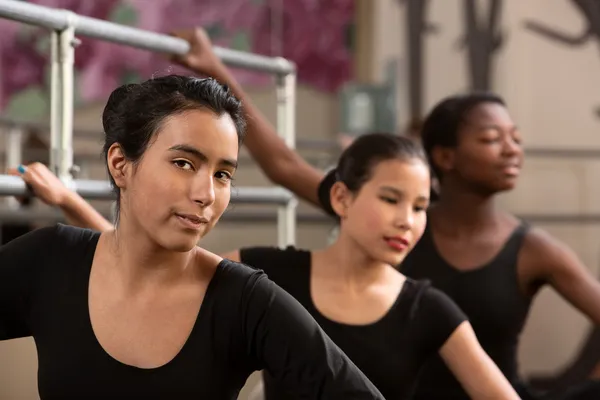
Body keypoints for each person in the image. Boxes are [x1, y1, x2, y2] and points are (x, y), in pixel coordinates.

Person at [160, 28, 600, 399]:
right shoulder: (309, 253)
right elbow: (283, 166)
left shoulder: (504, 265)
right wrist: (215, 70)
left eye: (419, 205)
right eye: (491, 138)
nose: (512, 150)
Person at [21, 132, 521, 399]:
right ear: (342, 197)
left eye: (419, 207)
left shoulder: (428, 307)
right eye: (391, 199)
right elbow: (146, 258)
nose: (407, 221)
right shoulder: (267, 276)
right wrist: (68, 201)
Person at [0, 75, 387, 399]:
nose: (207, 194)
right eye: (184, 163)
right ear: (121, 165)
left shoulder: (245, 301)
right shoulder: (50, 260)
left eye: (223, 174)